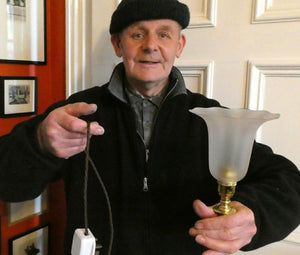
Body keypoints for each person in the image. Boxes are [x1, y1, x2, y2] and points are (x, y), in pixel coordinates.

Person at [1, 0, 300, 254]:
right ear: (118, 44)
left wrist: (253, 213)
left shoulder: (212, 118)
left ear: (179, 45)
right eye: (137, 34)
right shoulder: (77, 113)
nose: (151, 46)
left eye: (164, 34)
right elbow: (9, 184)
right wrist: (38, 141)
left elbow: (288, 182)